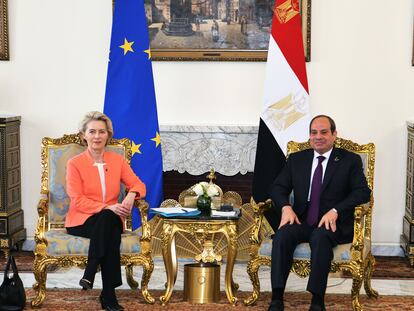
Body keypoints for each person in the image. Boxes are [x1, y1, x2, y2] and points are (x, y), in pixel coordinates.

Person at [267, 115, 371, 311]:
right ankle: (277, 297)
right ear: (309, 136)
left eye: (324, 132)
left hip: (331, 223)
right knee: (282, 235)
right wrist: (285, 207)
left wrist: (336, 210)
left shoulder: (349, 160)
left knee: (320, 237)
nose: (318, 137)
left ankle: (317, 300)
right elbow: (277, 187)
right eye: (314, 133)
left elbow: (363, 192)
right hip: (302, 219)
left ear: (334, 135)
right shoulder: (297, 159)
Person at [65, 111, 146, 311]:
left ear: (108, 135)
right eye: (92, 131)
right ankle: (108, 295)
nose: (97, 136)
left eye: (102, 132)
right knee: (109, 222)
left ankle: (90, 272)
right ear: (83, 135)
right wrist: (106, 207)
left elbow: (139, 185)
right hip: (81, 222)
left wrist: (131, 194)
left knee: (108, 220)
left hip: (109, 221)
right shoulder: (74, 163)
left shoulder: (117, 160)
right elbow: (77, 200)